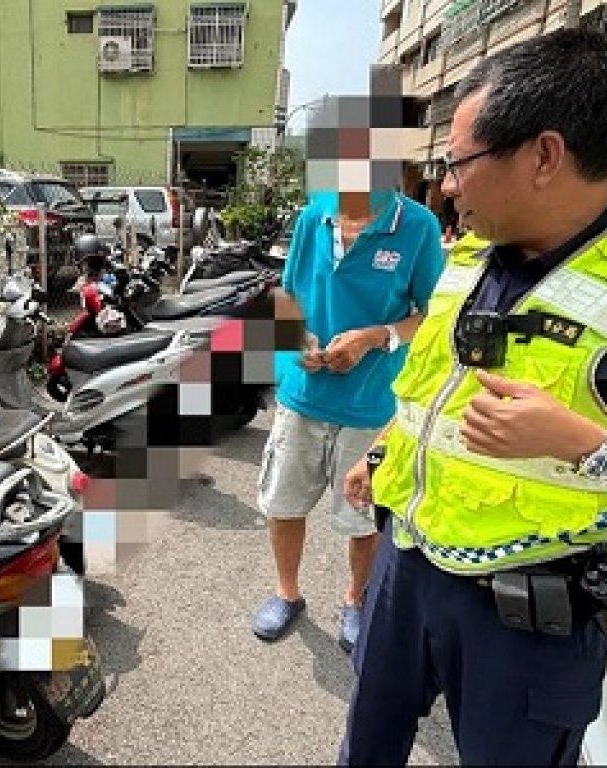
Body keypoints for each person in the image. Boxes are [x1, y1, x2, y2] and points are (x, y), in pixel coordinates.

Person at [338, 28, 607, 766]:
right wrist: (382, 452)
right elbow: (431, 384)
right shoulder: (471, 252)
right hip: (407, 561)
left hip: (531, 613)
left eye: (459, 163)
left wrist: (583, 445)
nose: (447, 186)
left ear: (544, 156)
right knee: (363, 746)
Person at [252, 95, 445, 652]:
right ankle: (287, 593)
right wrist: (299, 346)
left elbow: (430, 314)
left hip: (371, 404)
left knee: (362, 517)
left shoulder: (419, 227)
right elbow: (286, 297)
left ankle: (355, 599)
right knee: (283, 503)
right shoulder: (313, 215)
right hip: (302, 394)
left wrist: (372, 339)